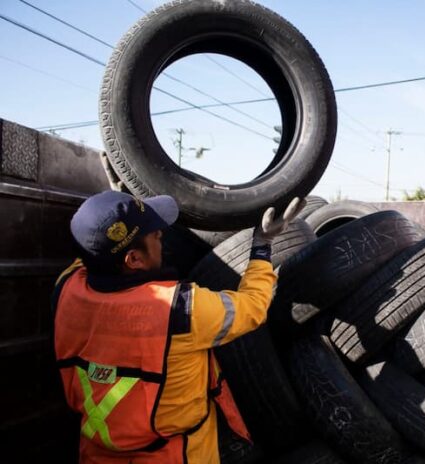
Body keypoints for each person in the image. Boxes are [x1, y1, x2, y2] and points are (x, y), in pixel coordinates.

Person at [52, 190, 305, 463]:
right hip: (173, 456)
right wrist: (262, 244)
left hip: (96, 454)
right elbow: (253, 307)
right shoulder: (181, 310)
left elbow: (93, 248)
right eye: (155, 234)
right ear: (134, 260)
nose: (162, 234)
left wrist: (125, 190)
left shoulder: (66, 287)